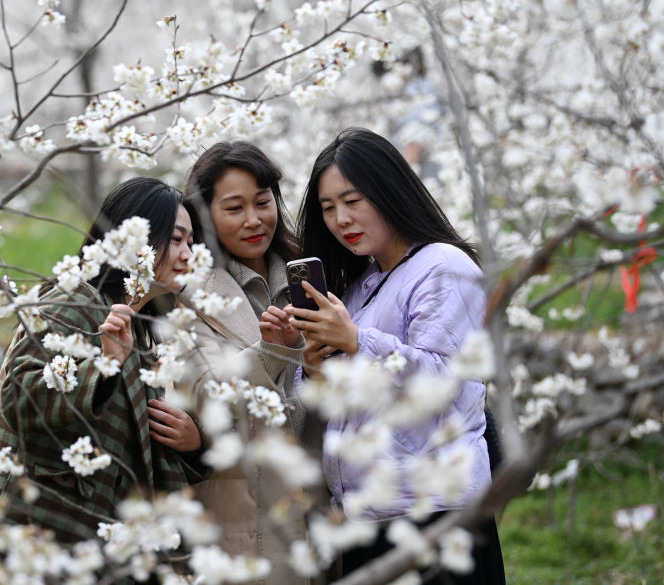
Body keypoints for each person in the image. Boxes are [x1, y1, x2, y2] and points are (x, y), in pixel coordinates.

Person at [0, 177, 206, 585]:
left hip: (83, 543)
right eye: (177, 240)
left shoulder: (141, 337)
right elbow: (22, 398)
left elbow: (135, 456)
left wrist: (193, 446)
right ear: (136, 239)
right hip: (30, 534)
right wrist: (100, 367)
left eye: (191, 242)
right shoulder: (72, 300)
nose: (188, 254)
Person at [286, 128, 504, 582]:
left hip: (437, 514)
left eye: (354, 200)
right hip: (370, 514)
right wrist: (313, 366)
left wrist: (356, 342)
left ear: (389, 192)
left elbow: (442, 381)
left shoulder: (444, 267)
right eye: (328, 208)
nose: (341, 219)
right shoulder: (362, 284)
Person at [169, 140, 315, 584]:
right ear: (204, 216)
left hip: (321, 502)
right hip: (245, 515)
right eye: (234, 208)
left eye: (262, 202)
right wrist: (273, 351)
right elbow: (206, 398)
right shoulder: (187, 295)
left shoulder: (309, 276)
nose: (255, 220)